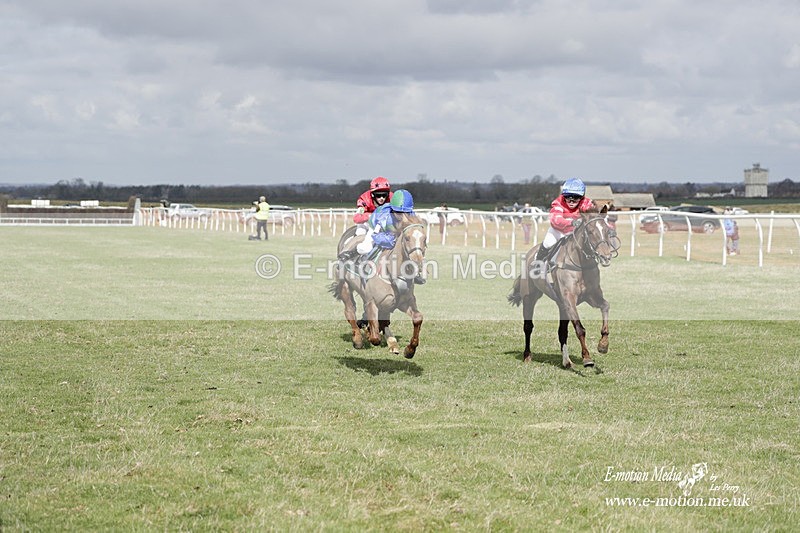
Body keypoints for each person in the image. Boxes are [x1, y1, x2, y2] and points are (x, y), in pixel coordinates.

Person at [535, 178, 595, 262]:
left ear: (582, 197)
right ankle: (538, 263)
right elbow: (556, 220)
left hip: (576, 232)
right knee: (547, 243)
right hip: (558, 231)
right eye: (568, 197)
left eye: (576, 197)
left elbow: (595, 215)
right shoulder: (558, 203)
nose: (571, 201)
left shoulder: (586, 203)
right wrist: (571, 222)